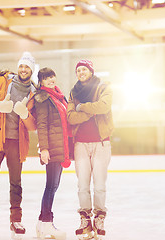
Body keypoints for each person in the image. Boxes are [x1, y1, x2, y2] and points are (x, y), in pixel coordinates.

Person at [0, 52, 37, 238]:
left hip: (16, 142)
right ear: (18, 67)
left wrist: (25, 115)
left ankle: (16, 220)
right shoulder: (2, 82)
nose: (23, 69)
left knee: (16, 183)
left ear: (31, 70)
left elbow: (33, 125)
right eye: (21, 66)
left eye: (27, 67)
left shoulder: (34, 92)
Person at [67, 60, 114, 240]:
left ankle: (100, 217)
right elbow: (71, 117)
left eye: (84, 69)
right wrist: (91, 111)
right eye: (78, 70)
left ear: (91, 71)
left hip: (101, 143)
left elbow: (104, 106)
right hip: (80, 144)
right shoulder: (73, 92)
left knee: (100, 184)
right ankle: (85, 220)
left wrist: (82, 107)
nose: (81, 72)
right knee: (83, 186)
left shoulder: (103, 88)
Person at [34, 67, 72, 240]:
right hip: (52, 148)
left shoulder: (58, 96)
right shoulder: (42, 98)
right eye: (46, 78)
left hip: (61, 146)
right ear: (41, 82)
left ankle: (42, 223)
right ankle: (47, 223)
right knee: (51, 186)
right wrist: (44, 148)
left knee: (53, 186)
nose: (50, 80)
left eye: (52, 76)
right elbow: (42, 125)